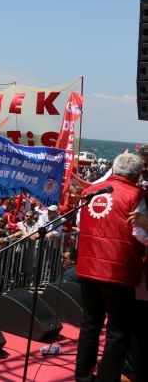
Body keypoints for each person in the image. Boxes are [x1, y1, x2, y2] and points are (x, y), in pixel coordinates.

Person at [75, 153, 148, 382]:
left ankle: (83, 377)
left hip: (88, 267)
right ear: (137, 175)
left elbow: (79, 223)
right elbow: (141, 235)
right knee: (117, 331)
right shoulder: (137, 195)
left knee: (90, 326)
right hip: (119, 272)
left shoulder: (91, 192)